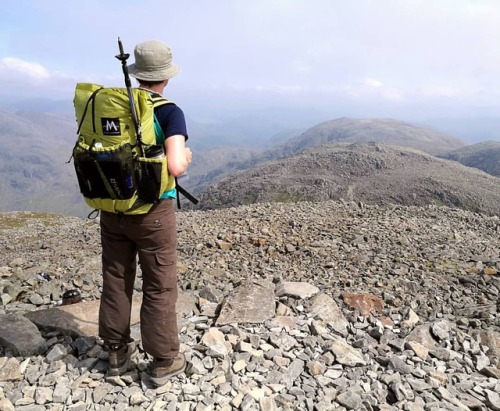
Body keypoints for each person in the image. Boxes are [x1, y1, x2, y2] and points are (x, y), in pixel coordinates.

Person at [97, 39, 192, 386]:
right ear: (165, 77)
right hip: (153, 212)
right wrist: (187, 157)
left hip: (112, 208)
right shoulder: (168, 111)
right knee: (159, 285)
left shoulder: (112, 105)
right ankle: (165, 359)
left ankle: (116, 353)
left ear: (137, 73)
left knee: (117, 280)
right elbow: (176, 165)